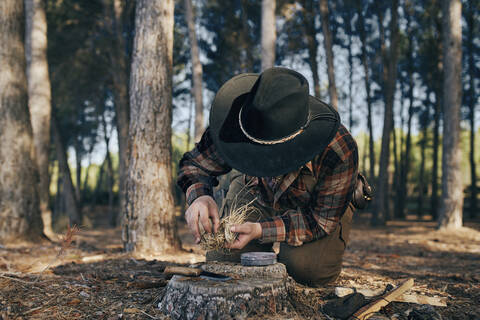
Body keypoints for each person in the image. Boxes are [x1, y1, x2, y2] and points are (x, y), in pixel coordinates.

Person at [177, 67, 367, 286]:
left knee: (305, 272)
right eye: (253, 153)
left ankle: (295, 258)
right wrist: (199, 197)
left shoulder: (338, 150)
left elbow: (321, 220)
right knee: (225, 261)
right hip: (255, 191)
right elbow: (193, 165)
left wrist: (260, 231)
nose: (262, 161)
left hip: (314, 208)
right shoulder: (236, 122)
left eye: (269, 155)